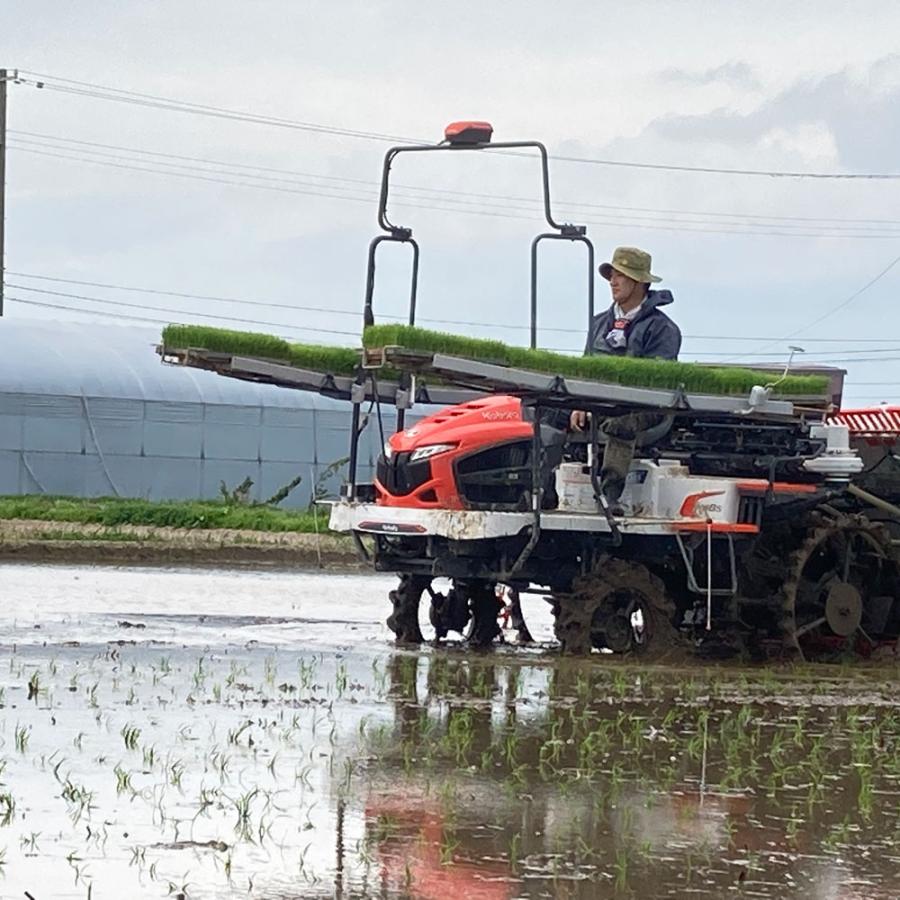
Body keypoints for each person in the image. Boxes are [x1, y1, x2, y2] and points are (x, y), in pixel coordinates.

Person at [569, 246, 682, 505]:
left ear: (639, 282)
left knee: (622, 422)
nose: (613, 281)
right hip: (599, 403)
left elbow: (656, 383)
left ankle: (609, 495)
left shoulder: (662, 329)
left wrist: (610, 402)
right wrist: (578, 402)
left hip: (646, 407)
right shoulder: (598, 324)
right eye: (612, 274)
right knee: (546, 413)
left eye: (621, 275)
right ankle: (540, 491)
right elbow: (585, 369)